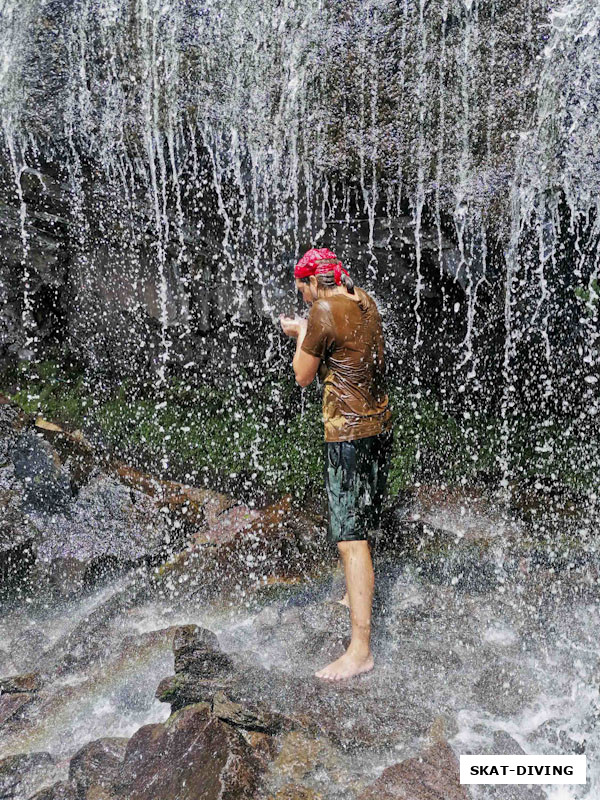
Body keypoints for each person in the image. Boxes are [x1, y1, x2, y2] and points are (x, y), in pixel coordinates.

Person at [280, 247, 393, 681]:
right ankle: (353, 594)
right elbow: (351, 352)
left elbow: (302, 375)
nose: (303, 297)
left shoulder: (323, 311)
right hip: (379, 426)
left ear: (313, 282)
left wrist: (302, 332)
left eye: (303, 290)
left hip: (347, 433)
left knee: (349, 537)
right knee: (365, 518)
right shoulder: (364, 299)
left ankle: (360, 650)